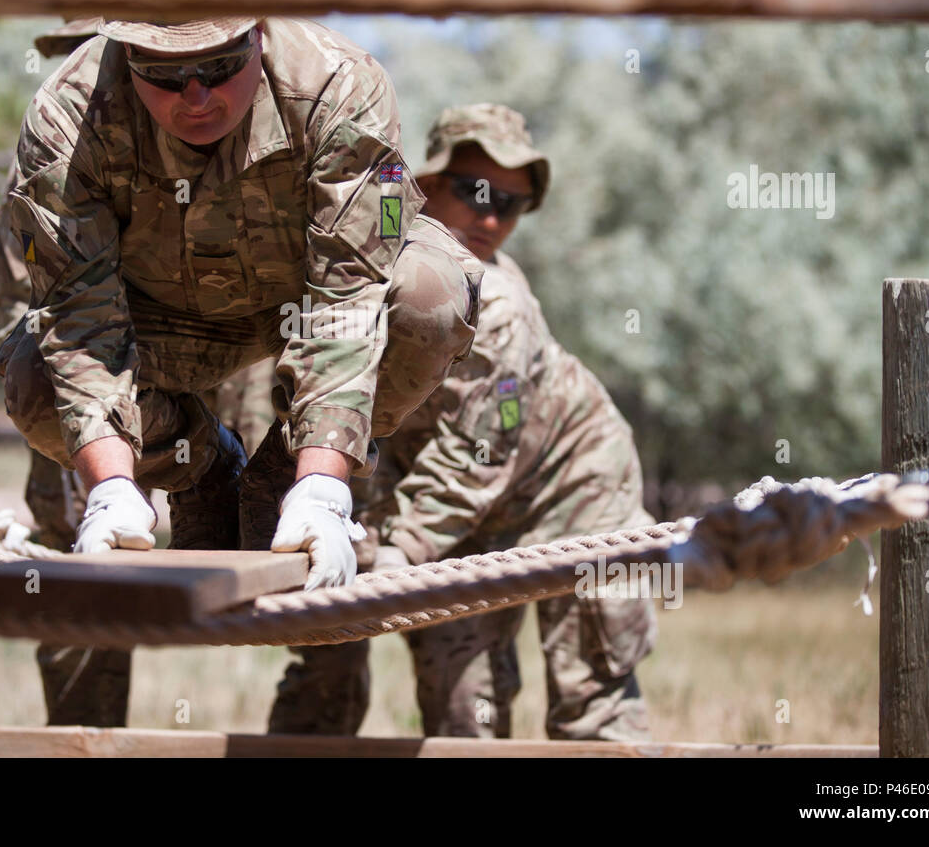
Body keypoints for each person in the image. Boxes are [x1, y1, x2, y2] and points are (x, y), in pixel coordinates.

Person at [0, 16, 483, 725]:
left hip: (303, 304)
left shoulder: (337, 83)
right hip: (157, 323)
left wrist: (321, 486)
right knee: (34, 378)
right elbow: (79, 313)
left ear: (258, 38)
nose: (194, 96)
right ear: (126, 57)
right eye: (163, 76)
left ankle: (283, 473)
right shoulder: (68, 109)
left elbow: (347, 297)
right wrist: (112, 486)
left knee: (429, 298)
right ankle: (198, 468)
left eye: (218, 68)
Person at [267, 103, 658, 740]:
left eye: (513, 203)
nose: (492, 217)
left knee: (590, 691)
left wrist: (396, 552)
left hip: (575, 486)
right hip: (457, 505)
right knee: (458, 695)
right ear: (427, 186)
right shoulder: (366, 263)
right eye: (477, 192)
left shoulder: (503, 312)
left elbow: (480, 451)